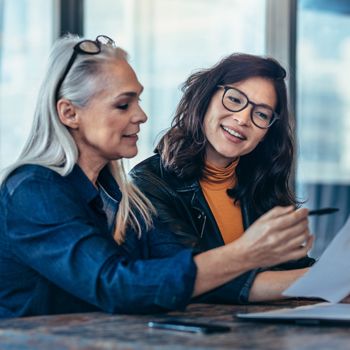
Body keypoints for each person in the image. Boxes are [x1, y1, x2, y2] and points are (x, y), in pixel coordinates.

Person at [0, 35, 312, 318]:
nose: (141, 116)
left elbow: (179, 269)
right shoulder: (33, 190)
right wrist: (246, 253)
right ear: (69, 113)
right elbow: (118, 286)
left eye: (138, 101)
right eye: (123, 104)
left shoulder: (122, 198)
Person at [131, 53, 315, 303]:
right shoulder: (149, 182)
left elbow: (291, 266)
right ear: (206, 98)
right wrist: (320, 282)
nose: (242, 119)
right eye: (235, 99)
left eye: (261, 114)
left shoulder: (262, 182)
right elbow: (193, 279)